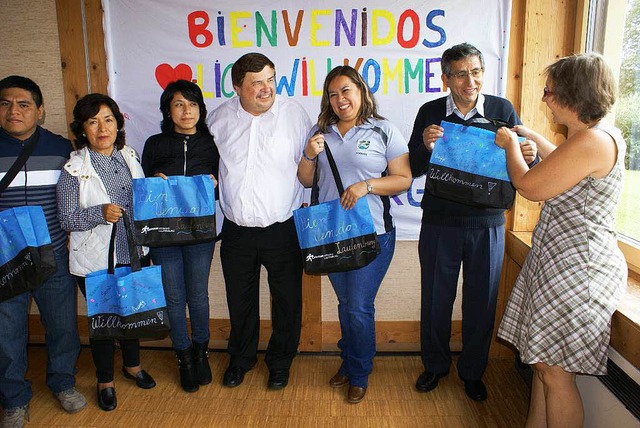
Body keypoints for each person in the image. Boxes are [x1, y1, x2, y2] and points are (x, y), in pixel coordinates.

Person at [496, 53, 627, 427]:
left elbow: (530, 186)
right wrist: (533, 136)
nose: (544, 99)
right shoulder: (592, 138)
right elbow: (564, 168)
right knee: (543, 367)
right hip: (562, 266)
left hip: (578, 271)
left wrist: (509, 147)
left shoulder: (593, 141)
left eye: (549, 91)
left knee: (554, 374)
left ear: (572, 94)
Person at [407, 43, 537, 401]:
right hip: (439, 222)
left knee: (482, 301)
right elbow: (414, 167)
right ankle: (434, 366)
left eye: (476, 72)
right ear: (446, 77)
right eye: (461, 73)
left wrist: (528, 152)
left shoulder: (502, 109)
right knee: (435, 299)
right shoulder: (430, 111)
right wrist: (426, 147)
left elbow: (528, 164)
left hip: (489, 223)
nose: (470, 81)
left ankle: (473, 371)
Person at [297, 65, 412, 403]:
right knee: (346, 304)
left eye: (346, 90)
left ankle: (359, 372)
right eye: (333, 94)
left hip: (373, 233)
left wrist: (367, 186)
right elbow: (306, 180)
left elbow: (403, 179)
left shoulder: (383, 130)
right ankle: (349, 362)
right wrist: (308, 153)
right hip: (332, 234)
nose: (340, 99)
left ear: (361, 91)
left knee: (359, 306)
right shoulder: (322, 132)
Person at [207, 52, 311, 390]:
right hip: (236, 231)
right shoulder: (218, 119)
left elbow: (311, 164)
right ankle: (241, 359)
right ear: (237, 87)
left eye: (270, 79)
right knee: (240, 299)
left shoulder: (294, 114)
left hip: (283, 228)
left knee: (287, 301)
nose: (266, 89)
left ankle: (281, 362)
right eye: (256, 83)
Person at [57, 93, 156, 412]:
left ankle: (133, 366)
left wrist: (157, 187)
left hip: (133, 251)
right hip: (96, 261)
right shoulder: (73, 169)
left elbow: (141, 199)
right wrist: (98, 212)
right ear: (82, 128)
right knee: (104, 323)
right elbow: (67, 218)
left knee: (133, 311)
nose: (102, 128)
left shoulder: (130, 156)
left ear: (118, 124)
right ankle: (105, 381)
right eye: (93, 121)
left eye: (108, 119)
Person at [0, 76, 87, 427]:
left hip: (53, 256)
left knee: (63, 325)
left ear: (40, 110)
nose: (14, 110)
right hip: (5, 260)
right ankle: (13, 400)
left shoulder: (61, 148)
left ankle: (63, 383)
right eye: (5, 103)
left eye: (23, 104)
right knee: (7, 332)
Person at [141, 79, 219, 393]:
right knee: (174, 298)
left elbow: (229, 185)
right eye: (178, 104)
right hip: (165, 232)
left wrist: (215, 185)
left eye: (192, 104)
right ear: (168, 110)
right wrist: (153, 180)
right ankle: (183, 355)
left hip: (200, 231)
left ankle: (202, 352)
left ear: (201, 109)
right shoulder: (155, 144)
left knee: (198, 296)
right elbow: (142, 191)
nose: (186, 111)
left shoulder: (213, 144)